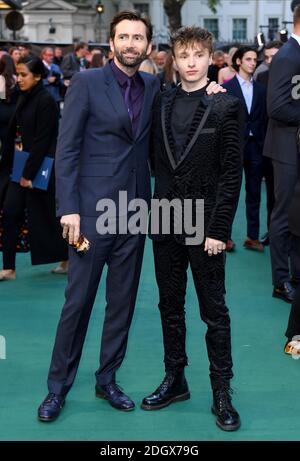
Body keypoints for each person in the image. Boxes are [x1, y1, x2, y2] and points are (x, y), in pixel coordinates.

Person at [37, 10, 225, 423]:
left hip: (137, 212)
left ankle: (108, 380)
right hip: (90, 213)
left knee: (121, 303)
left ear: (148, 46)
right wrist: (67, 208)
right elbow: (66, 150)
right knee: (78, 303)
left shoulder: (155, 85)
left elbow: (184, 106)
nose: (131, 44)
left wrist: (210, 89)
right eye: (124, 37)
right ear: (111, 43)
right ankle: (57, 389)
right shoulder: (86, 83)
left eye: (138, 38)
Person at [141, 26, 242, 432]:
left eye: (199, 54)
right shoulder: (160, 101)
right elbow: (155, 159)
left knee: (214, 312)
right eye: (185, 55)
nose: (192, 62)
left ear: (210, 57)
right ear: (174, 59)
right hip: (165, 220)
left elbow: (232, 173)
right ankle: (175, 378)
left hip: (206, 226)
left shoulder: (225, 106)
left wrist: (218, 228)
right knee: (169, 306)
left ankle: (221, 391)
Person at [0, 56, 68, 281]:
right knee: (10, 213)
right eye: (17, 74)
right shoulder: (23, 97)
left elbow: (43, 140)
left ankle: (69, 257)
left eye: (23, 75)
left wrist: (28, 174)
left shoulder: (46, 101)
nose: (18, 79)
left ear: (37, 77)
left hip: (39, 169)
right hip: (19, 167)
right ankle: (9, 268)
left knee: (50, 217)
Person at [263, 5, 300, 303]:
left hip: (295, 145)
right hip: (286, 148)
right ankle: (280, 280)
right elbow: (276, 107)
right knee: (284, 215)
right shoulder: (288, 56)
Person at [222, 47, 267, 252]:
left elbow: (263, 118)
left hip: (255, 146)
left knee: (254, 192)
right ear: (238, 61)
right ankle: (225, 236)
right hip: (233, 146)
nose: (253, 63)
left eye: (254, 59)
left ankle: (253, 236)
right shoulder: (227, 88)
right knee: (228, 192)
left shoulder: (261, 89)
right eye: (248, 59)